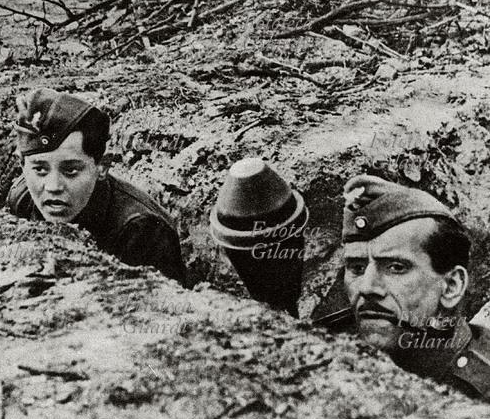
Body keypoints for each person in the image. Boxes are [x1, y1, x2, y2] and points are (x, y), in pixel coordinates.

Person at [210, 167, 490, 400]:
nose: (367, 287)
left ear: (451, 286)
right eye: (356, 267)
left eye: (395, 267)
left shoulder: (479, 390)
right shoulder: (328, 343)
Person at [6, 88, 189, 286]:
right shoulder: (22, 198)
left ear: (102, 166)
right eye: (40, 170)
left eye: (71, 171)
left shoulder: (141, 231)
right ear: (21, 165)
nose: (53, 187)